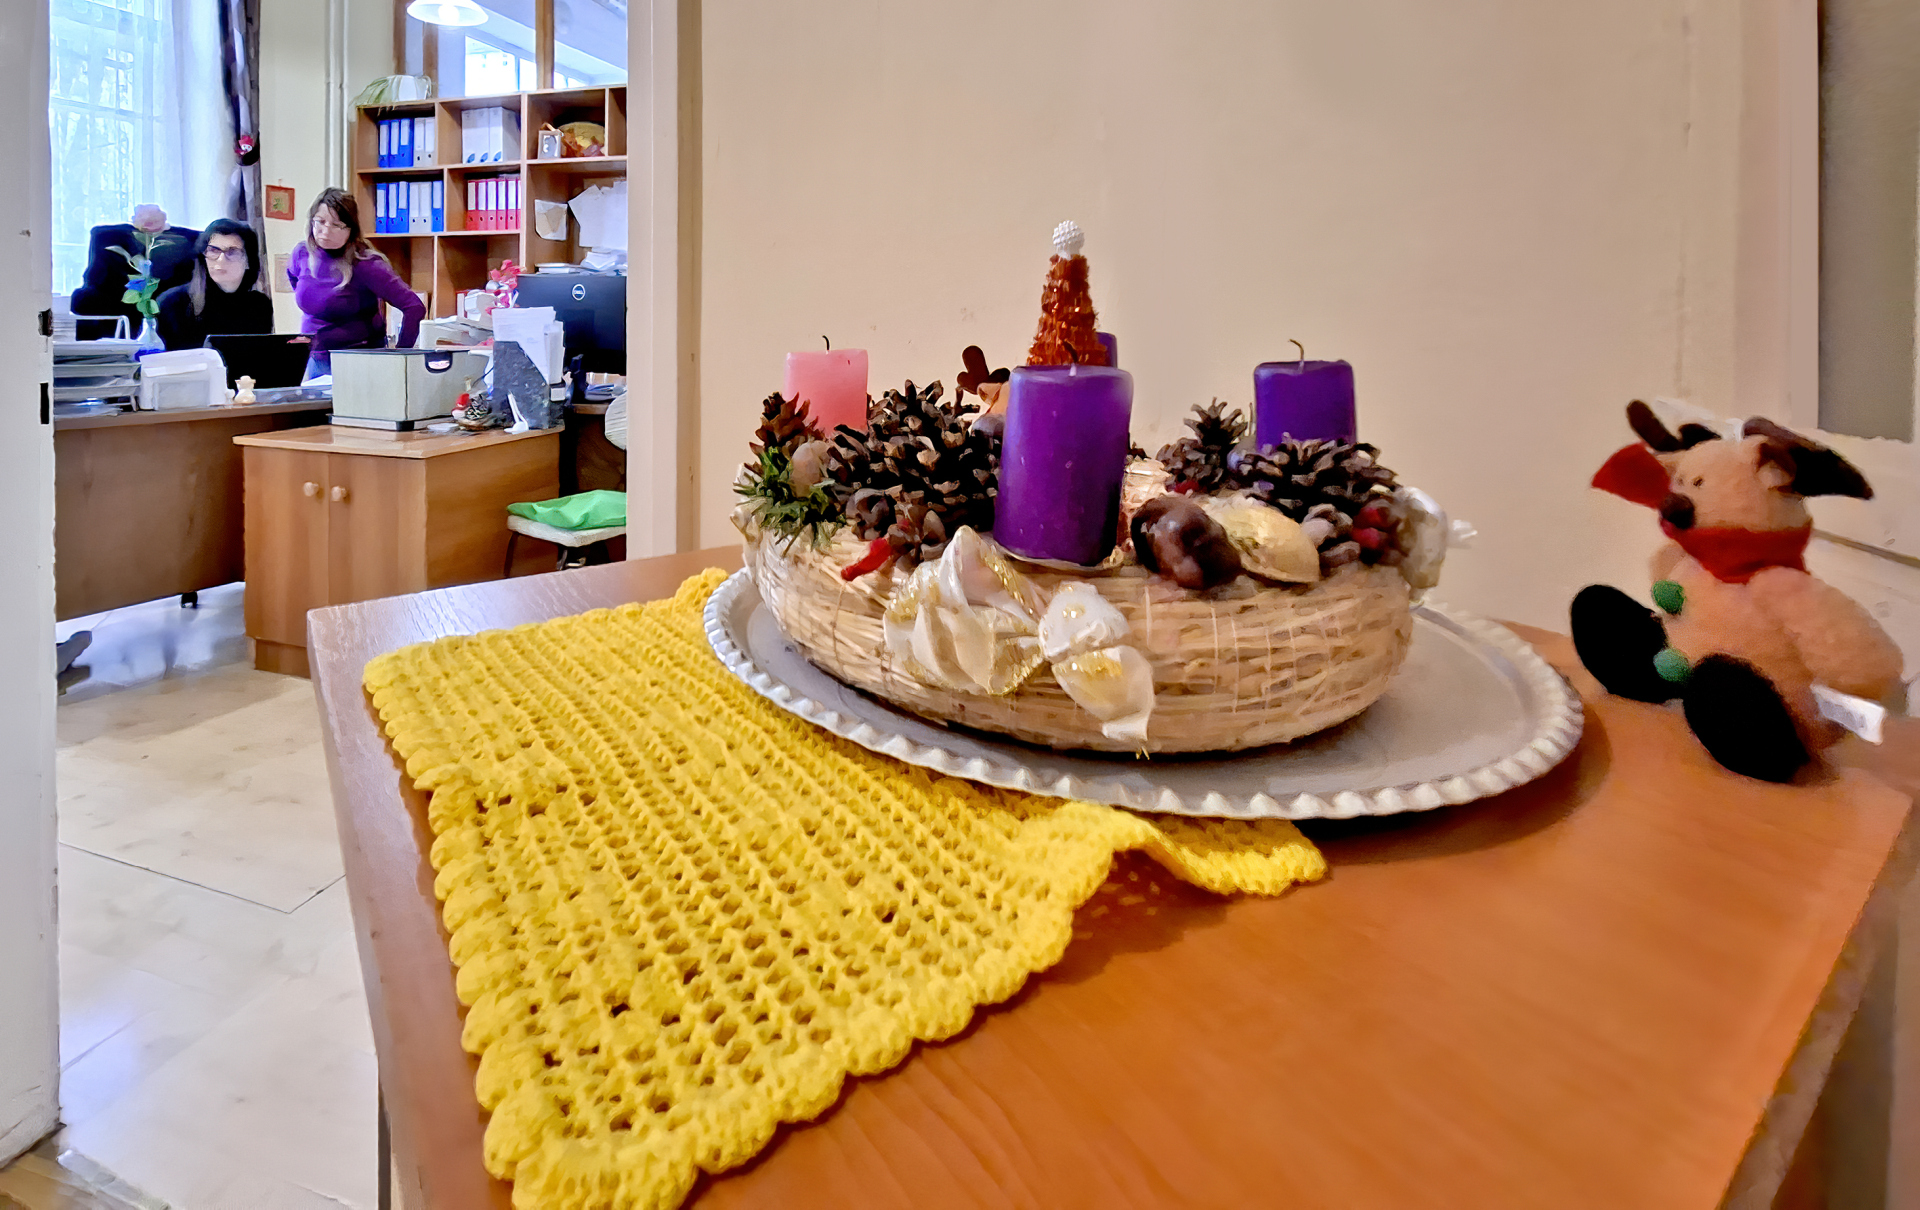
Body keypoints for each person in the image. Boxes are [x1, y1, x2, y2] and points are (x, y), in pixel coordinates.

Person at [287, 188, 424, 379]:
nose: (325, 231)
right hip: (314, 358)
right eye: (320, 221)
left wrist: (400, 356)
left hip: (358, 360)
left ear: (350, 230)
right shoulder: (301, 253)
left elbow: (414, 307)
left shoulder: (367, 264)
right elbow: (296, 281)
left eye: (336, 225)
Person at [155, 219, 274, 351]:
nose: (221, 260)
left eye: (232, 252)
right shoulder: (172, 303)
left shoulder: (260, 305)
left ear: (248, 261)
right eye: (213, 251)